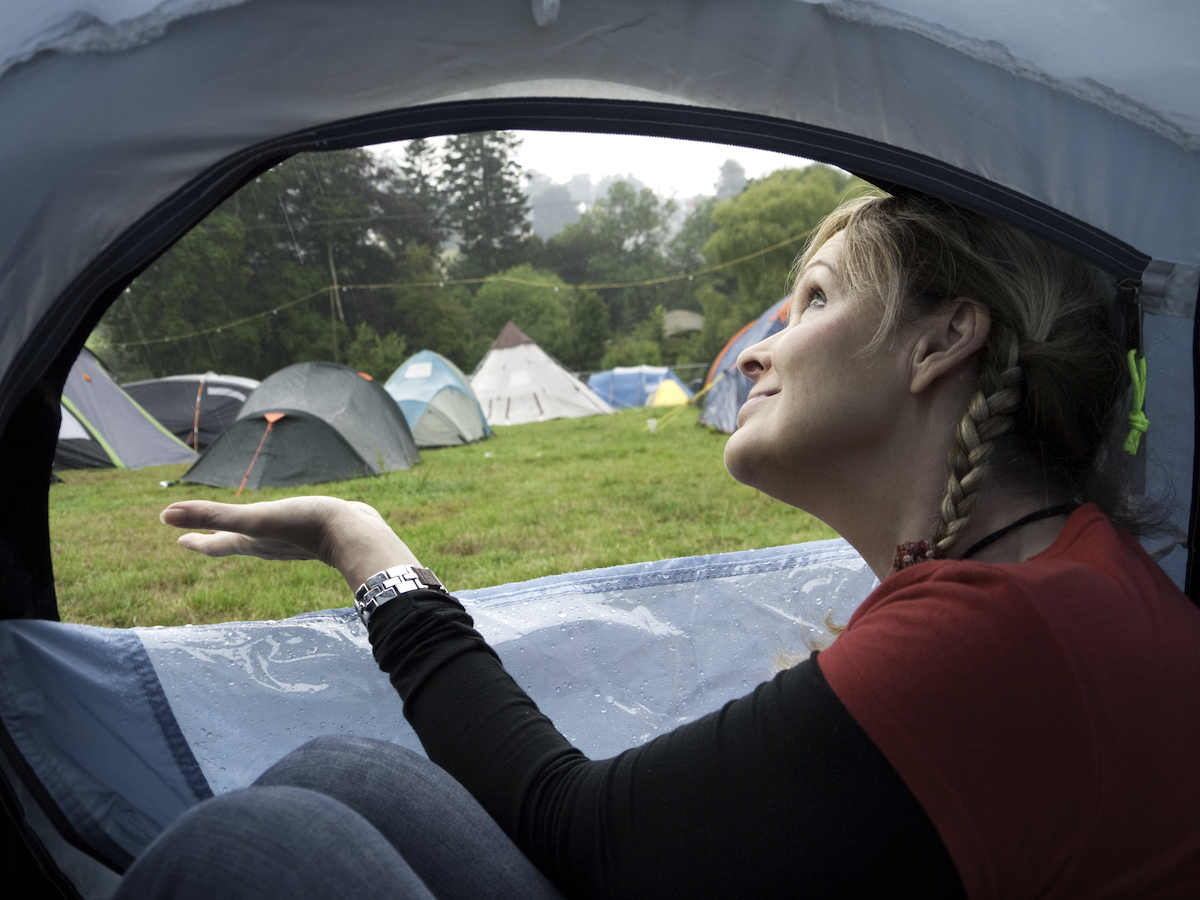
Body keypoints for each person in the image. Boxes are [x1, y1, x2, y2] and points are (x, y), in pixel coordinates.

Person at [115, 194, 1200, 899]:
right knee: (337, 772)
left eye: (813, 299)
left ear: (943, 340)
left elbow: (589, 835)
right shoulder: (1064, 576)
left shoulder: (999, 637)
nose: (761, 353)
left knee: (252, 849)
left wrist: (364, 545)